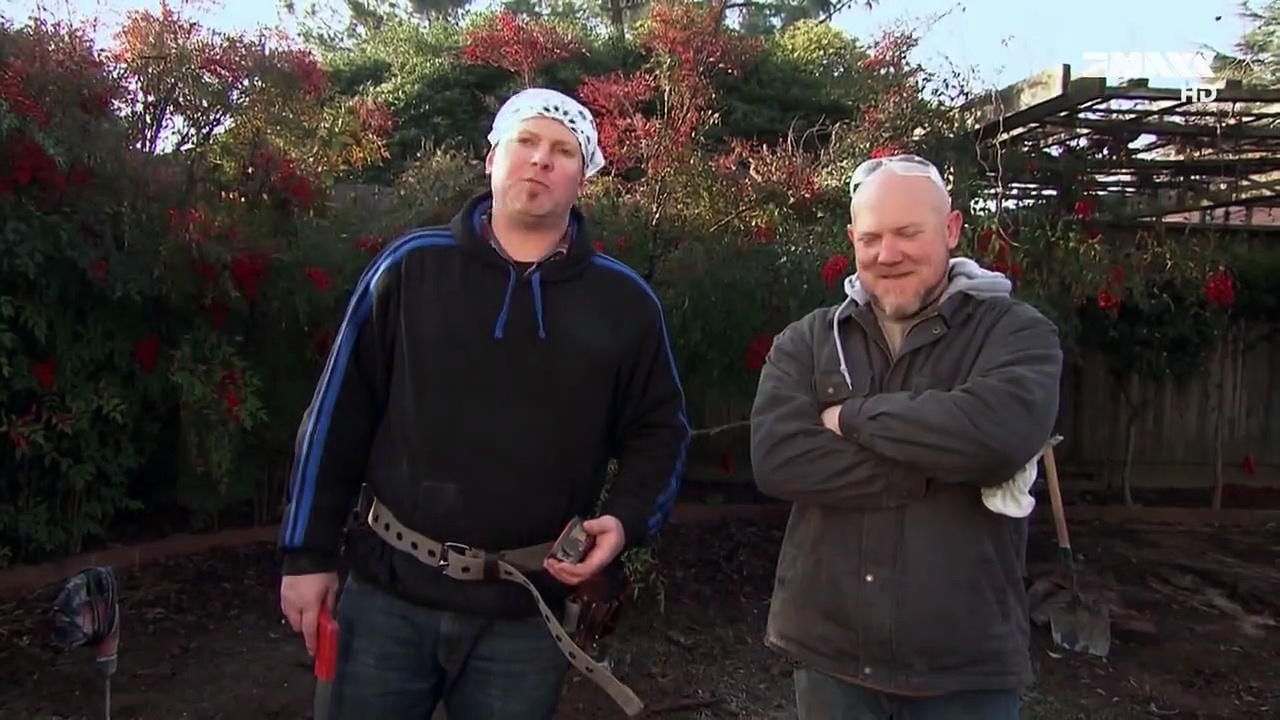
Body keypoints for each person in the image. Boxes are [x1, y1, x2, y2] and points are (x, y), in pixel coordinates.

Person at [276, 87, 690, 720]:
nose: (542, 159)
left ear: (583, 177)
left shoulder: (625, 304)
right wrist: (307, 555)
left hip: (525, 615)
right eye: (526, 141)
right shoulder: (410, 269)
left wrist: (627, 519)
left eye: (564, 151)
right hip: (388, 597)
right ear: (492, 157)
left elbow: (660, 433)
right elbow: (337, 415)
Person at [749, 153, 1063, 720]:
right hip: (831, 658)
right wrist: (936, 467)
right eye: (871, 238)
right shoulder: (810, 340)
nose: (887, 254)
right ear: (852, 239)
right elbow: (778, 459)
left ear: (951, 229)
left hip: (963, 665)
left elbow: (997, 438)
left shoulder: (1014, 332)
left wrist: (850, 420)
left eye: (907, 233)